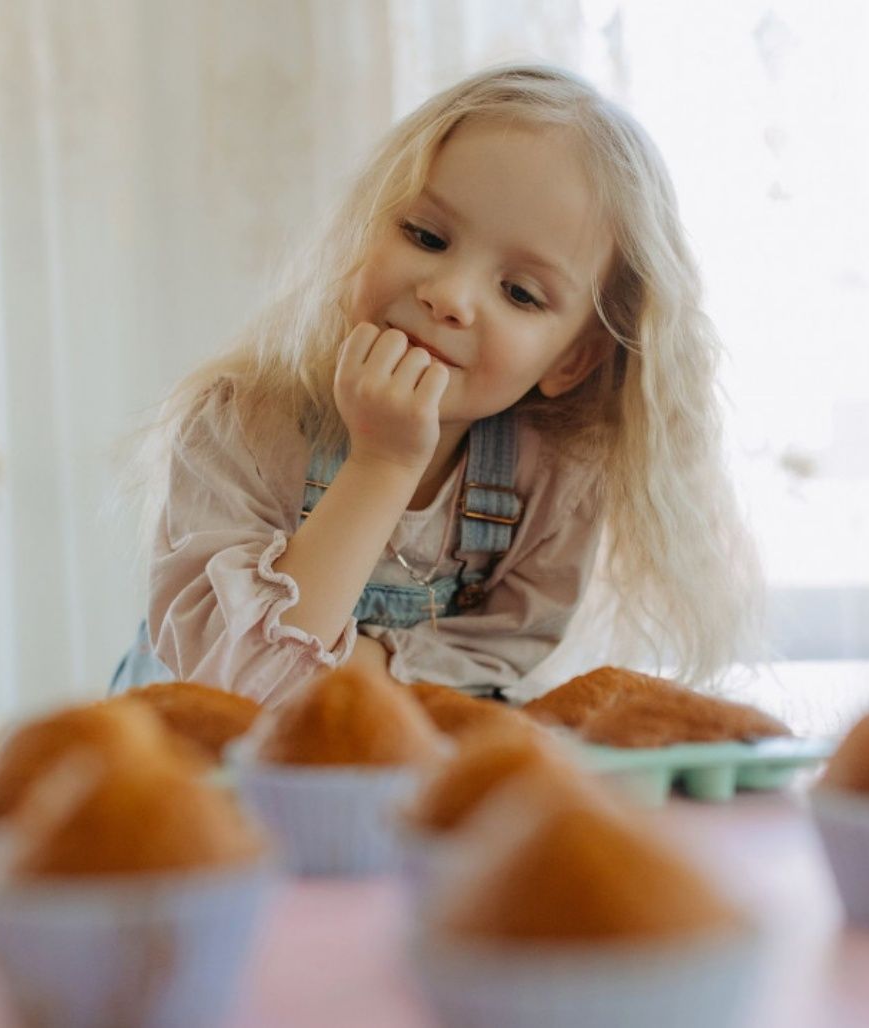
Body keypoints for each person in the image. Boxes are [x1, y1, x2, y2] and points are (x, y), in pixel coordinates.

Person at [111, 64, 761, 706]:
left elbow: (490, 666)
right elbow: (239, 683)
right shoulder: (241, 425)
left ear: (573, 362)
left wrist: (345, 679)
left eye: (520, 293)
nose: (448, 295)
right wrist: (383, 462)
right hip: (196, 779)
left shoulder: (555, 478)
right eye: (426, 235)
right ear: (365, 229)